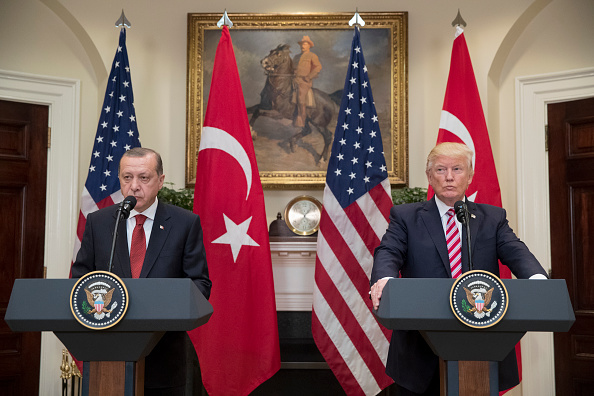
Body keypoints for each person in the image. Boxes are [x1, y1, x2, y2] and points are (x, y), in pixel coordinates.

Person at [370, 142, 547, 396]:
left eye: (457, 169)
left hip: (482, 343)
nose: (450, 177)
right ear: (430, 176)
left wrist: (538, 279)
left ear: (470, 175)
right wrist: (385, 278)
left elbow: (516, 251)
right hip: (421, 349)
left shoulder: (492, 218)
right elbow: (388, 251)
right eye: (441, 170)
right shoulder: (406, 217)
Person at [72, 147, 211, 396]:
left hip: (164, 358)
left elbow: (199, 284)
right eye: (127, 177)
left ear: (160, 181)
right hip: (108, 357)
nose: (134, 186)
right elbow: (80, 280)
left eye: (143, 178)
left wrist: (163, 310)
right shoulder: (99, 222)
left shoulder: (184, 223)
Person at [292, 35, 322, 129]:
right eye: (301, 44)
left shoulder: (312, 56)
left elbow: (318, 67)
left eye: (305, 44)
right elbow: (292, 68)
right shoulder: (296, 57)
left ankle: (301, 119)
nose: (302, 46)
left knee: (301, 98)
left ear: (309, 45)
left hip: (304, 81)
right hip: (294, 79)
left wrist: (309, 76)